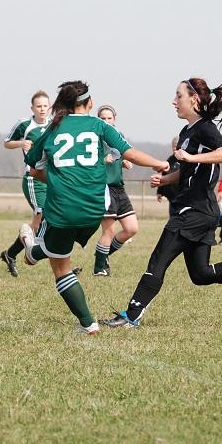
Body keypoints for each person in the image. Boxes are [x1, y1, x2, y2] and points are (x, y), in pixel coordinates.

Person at [101, 78, 222, 329]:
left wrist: (191, 156)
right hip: (203, 211)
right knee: (201, 274)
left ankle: (131, 315)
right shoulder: (186, 132)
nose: (174, 101)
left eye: (179, 96)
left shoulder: (205, 128)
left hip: (193, 211)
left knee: (158, 261)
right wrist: (166, 180)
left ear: (194, 100)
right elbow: (188, 170)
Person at [19, 80, 168, 335]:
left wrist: (53, 174)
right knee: (56, 246)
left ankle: (89, 324)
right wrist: (160, 164)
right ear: (90, 103)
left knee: (60, 267)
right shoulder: (100, 126)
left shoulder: (53, 128)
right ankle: (36, 250)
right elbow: (129, 153)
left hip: (63, 211)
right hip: (94, 212)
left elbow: (33, 167)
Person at [0, 90, 50, 277]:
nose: (42, 109)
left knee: (43, 221)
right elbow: (6, 142)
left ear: (50, 107)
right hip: (33, 178)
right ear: (32, 108)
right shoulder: (25, 124)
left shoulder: (54, 125)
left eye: (45, 105)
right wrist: (21, 143)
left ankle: (11, 254)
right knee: (42, 213)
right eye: (39, 106)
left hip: (50, 178)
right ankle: (39, 254)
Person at [92, 104, 138, 277]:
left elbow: (124, 154)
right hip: (104, 188)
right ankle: (99, 268)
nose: (106, 121)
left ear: (114, 119)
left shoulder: (119, 136)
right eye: (102, 118)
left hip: (119, 188)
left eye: (109, 118)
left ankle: (103, 256)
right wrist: (103, 161)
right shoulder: (94, 139)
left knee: (131, 229)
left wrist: (124, 162)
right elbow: (88, 164)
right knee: (109, 231)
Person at [156, 136, 181, 216]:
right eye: (173, 146)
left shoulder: (186, 160)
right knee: (173, 220)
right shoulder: (170, 160)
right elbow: (164, 175)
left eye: (177, 146)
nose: (175, 148)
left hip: (183, 197)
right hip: (172, 198)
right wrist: (160, 191)